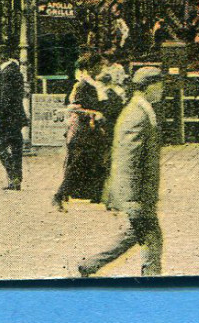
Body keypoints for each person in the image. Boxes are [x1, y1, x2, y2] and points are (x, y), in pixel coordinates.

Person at [77, 67, 167, 277]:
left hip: (141, 195)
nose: (162, 90)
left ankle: (90, 265)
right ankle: (151, 279)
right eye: (160, 85)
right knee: (149, 236)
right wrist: (132, 201)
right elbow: (128, 160)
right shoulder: (136, 114)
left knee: (141, 235)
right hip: (136, 196)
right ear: (149, 87)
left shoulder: (141, 109)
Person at [55, 54, 110, 208]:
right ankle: (60, 194)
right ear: (90, 67)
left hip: (92, 130)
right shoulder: (82, 85)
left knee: (95, 161)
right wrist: (94, 114)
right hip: (83, 131)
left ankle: (96, 195)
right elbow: (75, 108)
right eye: (98, 65)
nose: (101, 68)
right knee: (78, 164)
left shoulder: (94, 84)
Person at [0, 47, 27, 191]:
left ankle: (13, 174)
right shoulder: (16, 71)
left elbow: (4, 99)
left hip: (6, 118)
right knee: (16, 148)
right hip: (16, 117)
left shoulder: (6, 73)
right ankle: (16, 179)